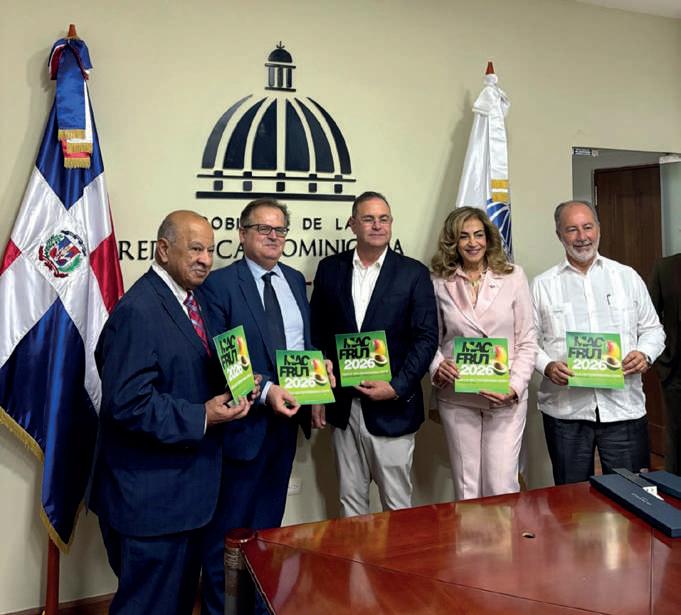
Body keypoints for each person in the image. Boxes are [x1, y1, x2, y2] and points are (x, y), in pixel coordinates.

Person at [90, 211, 252, 615]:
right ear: (163, 250)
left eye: (210, 250)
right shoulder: (139, 310)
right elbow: (128, 404)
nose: (205, 260)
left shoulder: (195, 301)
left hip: (186, 499)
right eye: (195, 249)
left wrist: (243, 382)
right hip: (151, 503)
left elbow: (192, 369)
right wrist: (203, 416)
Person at [198, 198, 331, 615]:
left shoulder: (293, 279)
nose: (274, 237)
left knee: (268, 534)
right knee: (228, 535)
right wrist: (267, 390)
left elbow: (301, 345)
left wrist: (317, 378)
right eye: (263, 229)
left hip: (285, 429)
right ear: (242, 234)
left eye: (280, 230)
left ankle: (258, 608)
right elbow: (221, 358)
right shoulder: (219, 285)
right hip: (242, 427)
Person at [310, 190, 438, 517]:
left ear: (391, 224)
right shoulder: (329, 269)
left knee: (397, 506)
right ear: (352, 224)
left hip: (393, 407)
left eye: (384, 219)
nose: (377, 225)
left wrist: (396, 387)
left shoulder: (413, 273)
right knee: (350, 503)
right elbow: (318, 332)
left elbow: (426, 338)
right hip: (343, 406)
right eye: (368, 219)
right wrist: (319, 390)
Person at [532, 200, 665, 485]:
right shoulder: (542, 285)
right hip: (566, 411)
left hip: (623, 408)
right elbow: (527, 341)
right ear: (559, 235)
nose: (582, 236)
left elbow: (654, 330)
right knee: (570, 498)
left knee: (634, 493)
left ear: (598, 229)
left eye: (587, 227)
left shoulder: (627, 277)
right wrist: (547, 366)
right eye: (572, 229)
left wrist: (644, 354)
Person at [429, 206, 537, 500]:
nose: (472, 242)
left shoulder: (514, 276)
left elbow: (527, 340)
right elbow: (430, 339)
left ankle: (504, 536)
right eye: (464, 236)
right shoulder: (438, 281)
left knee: (501, 486)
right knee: (467, 488)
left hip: (505, 396)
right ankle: (469, 535)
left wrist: (514, 387)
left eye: (478, 235)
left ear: (488, 238)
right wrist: (438, 366)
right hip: (457, 396)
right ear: (453, 242)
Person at [648, 253, 681, 473]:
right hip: (676, 370)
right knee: (677, 441)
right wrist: (662, 360)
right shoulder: (666, 268)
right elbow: (649, 319)